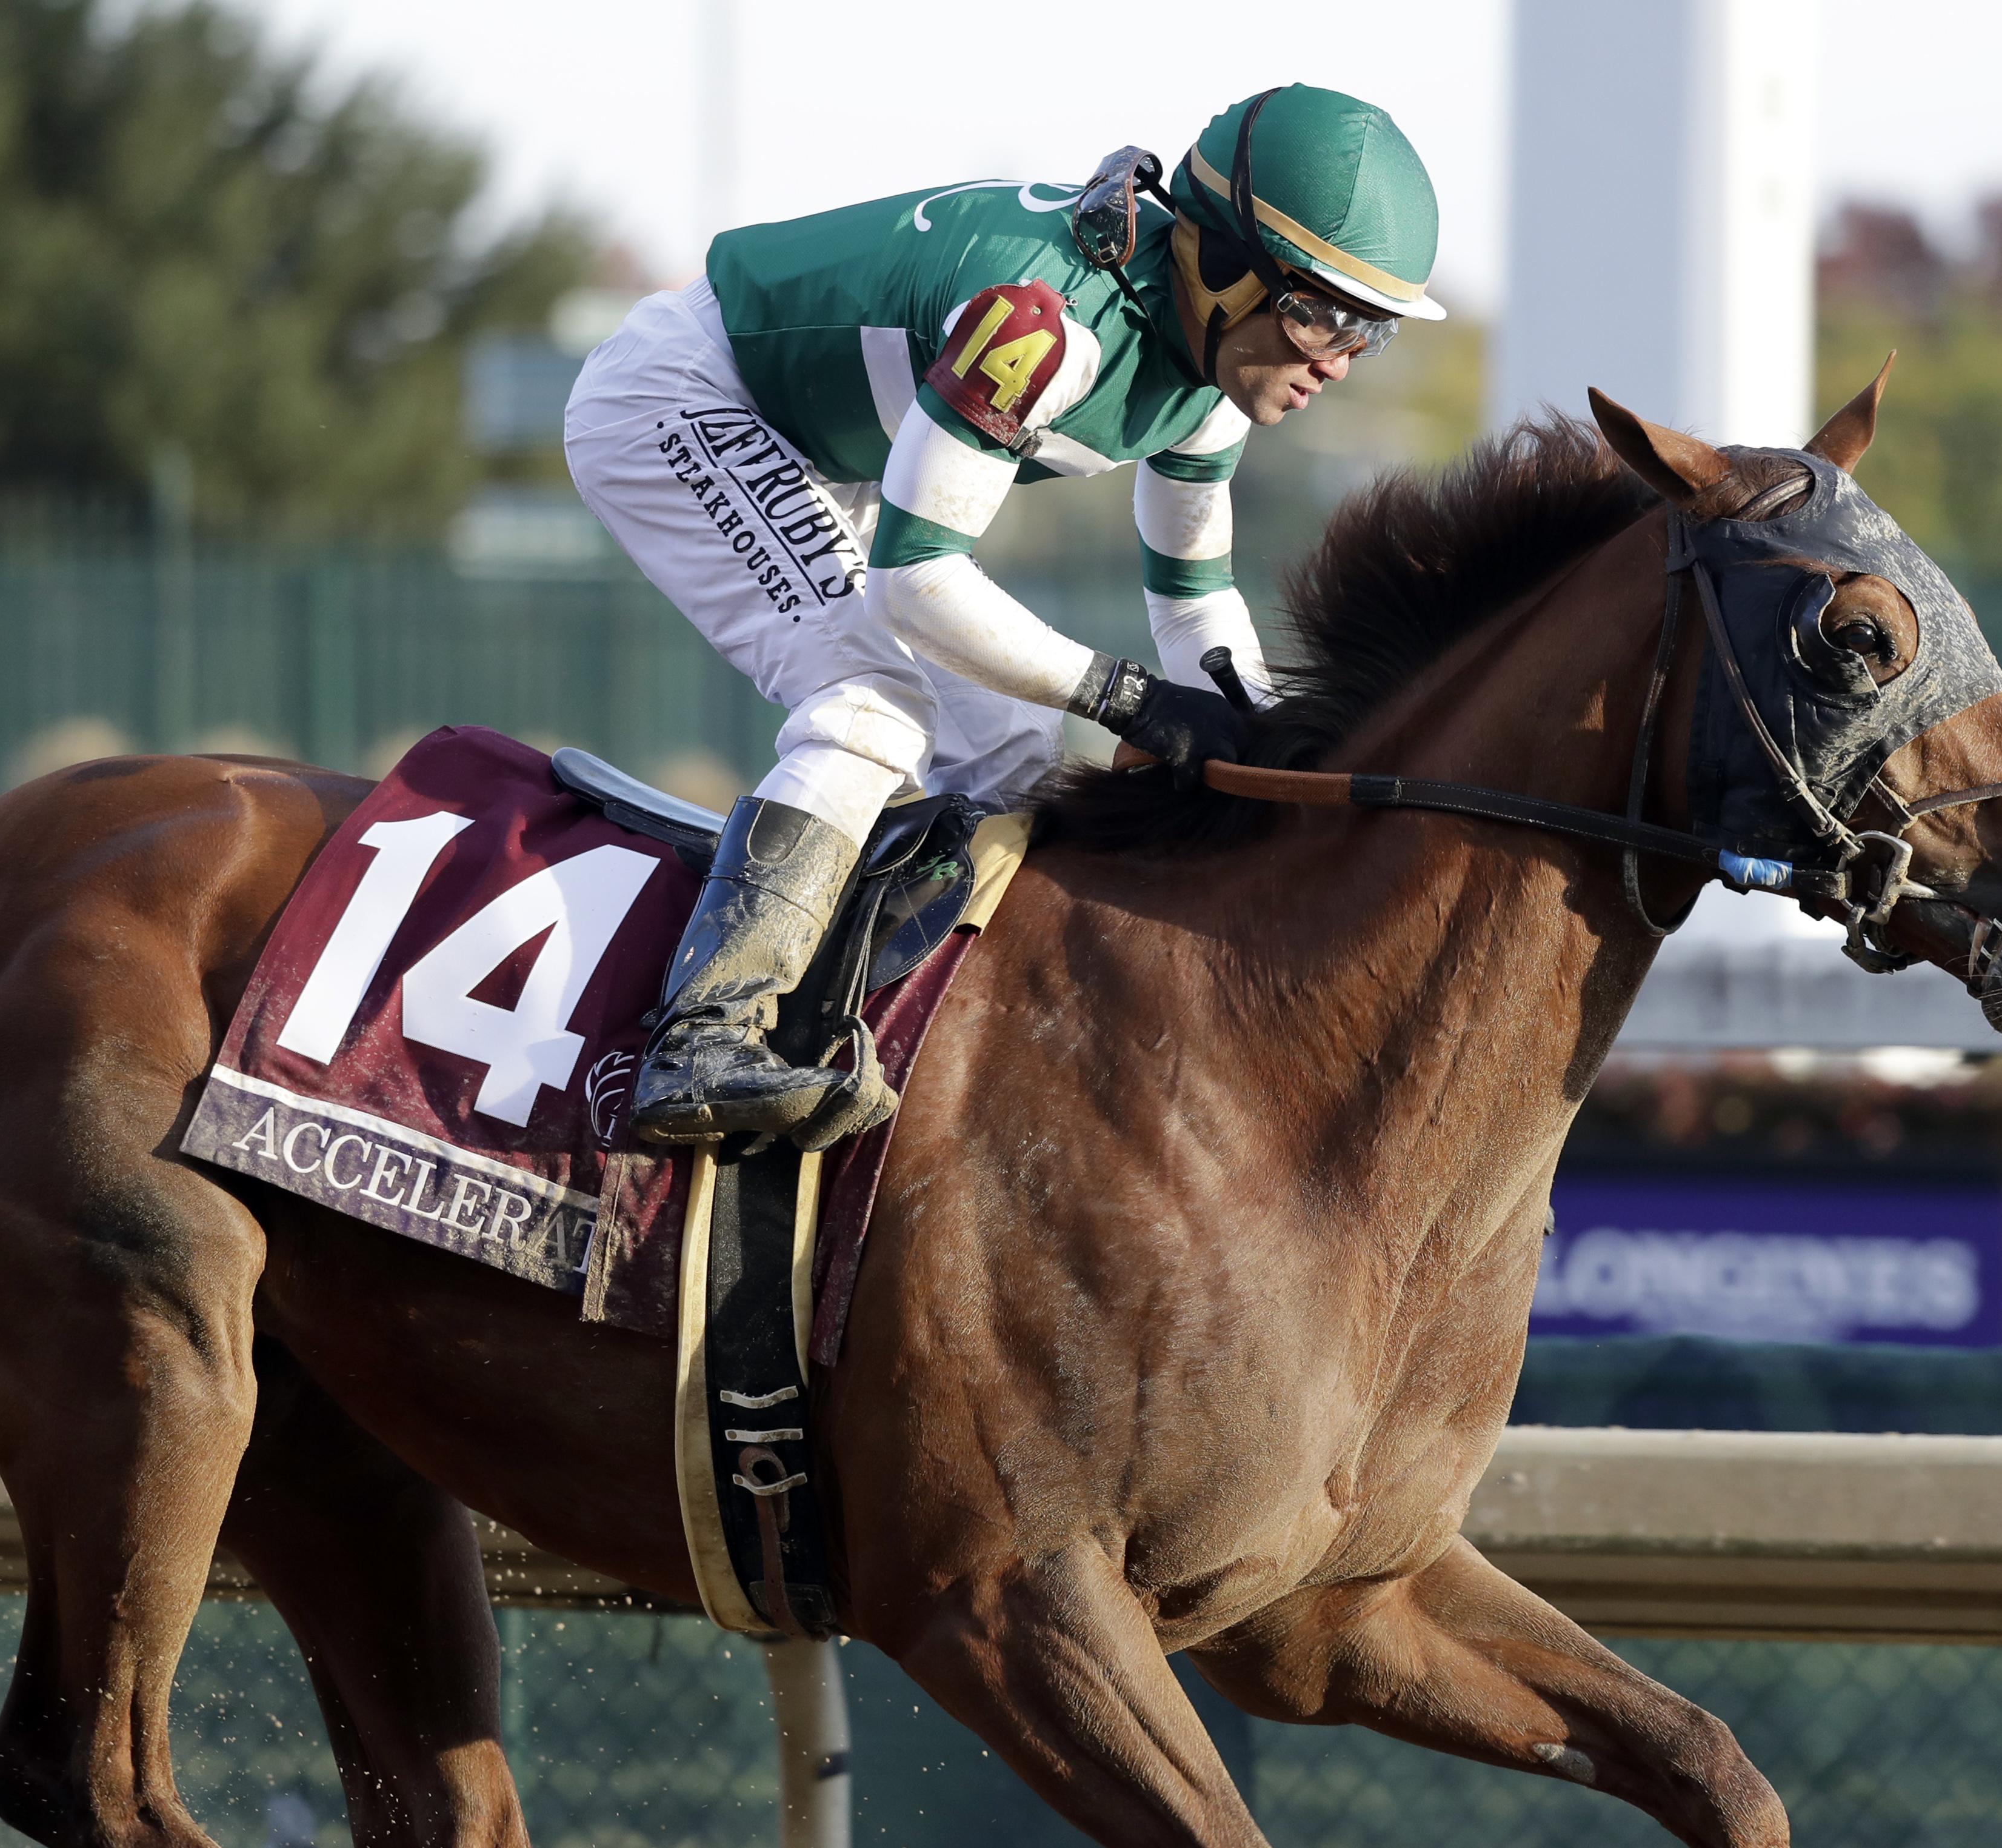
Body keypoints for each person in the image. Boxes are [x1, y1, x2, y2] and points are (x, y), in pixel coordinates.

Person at [563, 84, 1444, 1147]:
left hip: (827, 446)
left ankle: (955, 1066)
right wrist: (1128, 701)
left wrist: (1273, 735)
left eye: (1368, 332)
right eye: (1320, 314)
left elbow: (1194, 597)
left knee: (1015, 749)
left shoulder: (1215, 378)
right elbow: (916, 583)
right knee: (871, 702)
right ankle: (701, 1039)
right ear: (1218, 266)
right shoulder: (1045, 327)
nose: (1335, 362)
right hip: (687, 393)